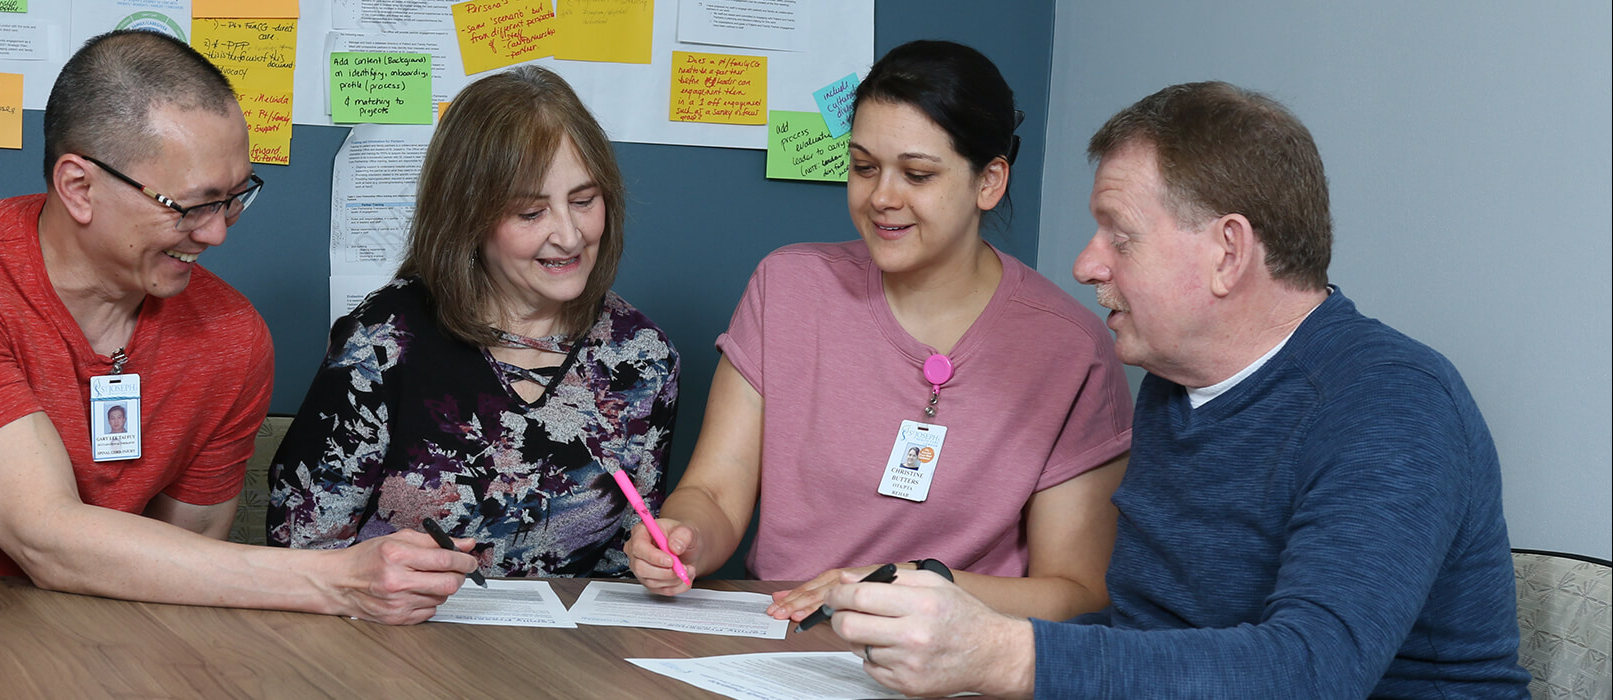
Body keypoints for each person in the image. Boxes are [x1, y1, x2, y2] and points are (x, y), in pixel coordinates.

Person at [823, 81, 1530, 697]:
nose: (1085, 264)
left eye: (1118, 235)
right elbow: (1152, 637)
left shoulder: (1392, 403)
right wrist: (956, 627)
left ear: (1227, 252)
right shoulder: (1176, 386)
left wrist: (1007, 655)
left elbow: (1313, 674)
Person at [0, 30, 476, 625]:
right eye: (190, 205)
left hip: (60, 640)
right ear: (79, 187)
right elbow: (48, 537)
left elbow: (183, 564)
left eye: (235, 199)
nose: (218, 234)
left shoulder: (231, 336)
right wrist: (334, 581)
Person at [626, 39, 1132, 623]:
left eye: (916, 174)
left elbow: (1075, 590)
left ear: (989, 182)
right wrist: (682, 539)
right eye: (864, 167)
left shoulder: (1072, 349)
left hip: (956, 663)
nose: (881, 198)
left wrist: (908, 586)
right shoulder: (788, 285)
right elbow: (714, 493)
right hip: (779, 643)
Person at [267, 65, 679, 577]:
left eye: (583, 201)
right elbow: (303, 550)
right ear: (467, 217)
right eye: (531, 213)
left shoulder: (641, 358)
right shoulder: (383, 341)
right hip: (391, 639)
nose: (570, 236)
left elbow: (627, 557)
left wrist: (656, 567)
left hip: (568, 648)